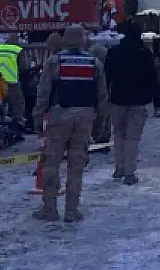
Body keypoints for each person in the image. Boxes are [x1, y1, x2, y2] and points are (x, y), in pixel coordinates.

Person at [32, 25, 108, 222]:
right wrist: (100, 124)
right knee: (77, 164)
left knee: (52, 162)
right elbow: (102, 97)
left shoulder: (55, 61)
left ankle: (50, 208)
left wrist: (38, 118)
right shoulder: (94, 63)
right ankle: (72, 210)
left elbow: (43, 93)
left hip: (59, 115)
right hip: (85, 117)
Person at [103, 21, 160, 184]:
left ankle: (119, 168)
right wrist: (157, 100)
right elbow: (153, 78)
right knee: (133, 137)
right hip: (138, 100)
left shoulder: (114, 52)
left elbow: (106, 77)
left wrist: (103, 97)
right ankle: (129, 172)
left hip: (117, 99)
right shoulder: (144, 54)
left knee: (119, 134)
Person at [0, 34, 26, 127]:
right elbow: (23, 67)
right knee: (19, 102)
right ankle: (17, 122)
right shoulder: (17, 50)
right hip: (11, 81)